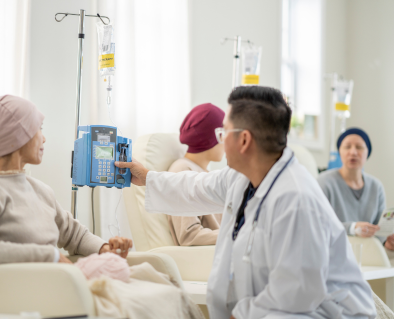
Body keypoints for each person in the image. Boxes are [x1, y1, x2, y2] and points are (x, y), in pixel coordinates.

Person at [116, 86, 375, 319]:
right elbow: (194, 187)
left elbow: (297, 293)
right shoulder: (243, 177)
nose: (220, 140)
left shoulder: (296, 200)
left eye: (223, 132)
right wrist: (147, 178)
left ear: (244, 140)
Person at [0, 95, 132, 269]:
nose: (44, 138)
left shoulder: (41, 190)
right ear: (18, 134)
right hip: (32, 289)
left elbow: (74, 236)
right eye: (38, 129)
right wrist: (51, 256)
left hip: (59, 282)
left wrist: (106, 249)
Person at [167, 103, 224, 246]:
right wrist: (237, 235)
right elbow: (190, 236)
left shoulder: (204, 173)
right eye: (224, 135)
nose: (228, 142)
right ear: (210, 138)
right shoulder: (182, 171)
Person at [317, 129, 387, 241]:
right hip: (334, 251)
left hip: (370, 252)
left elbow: (380, 232)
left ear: (367, 152)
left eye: (359, 147)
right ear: (339, 151)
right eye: (347, 147)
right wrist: (352, 228)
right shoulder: (324, 182)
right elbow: (318, 225)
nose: (353, 152)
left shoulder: (376, 187)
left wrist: (386, 242)